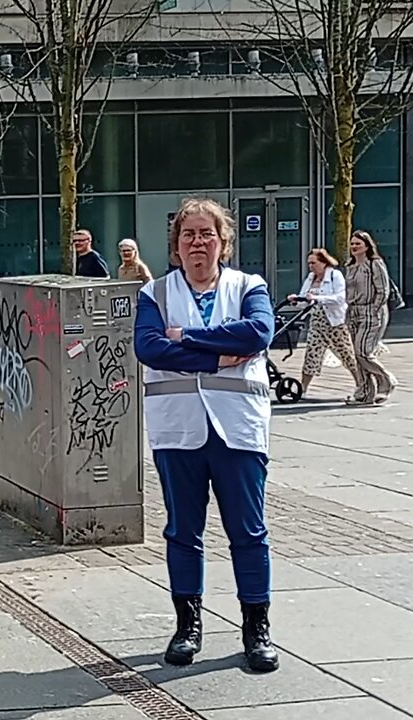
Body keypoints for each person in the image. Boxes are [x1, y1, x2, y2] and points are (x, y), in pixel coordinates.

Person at [133, 197, 278, 673]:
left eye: (207, 234)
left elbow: (258, 333)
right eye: (188, 234)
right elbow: (149, 348)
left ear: (223, 242)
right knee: (182, 531)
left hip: (237, 427)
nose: (198, 242)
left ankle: (256, 628)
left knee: (249, 532)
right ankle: (187, 626)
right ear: (176, 245)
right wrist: (217, 355)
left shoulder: (249, 286)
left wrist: (186, 338)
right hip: (178, 428)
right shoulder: (155, 293)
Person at [288, 248, 361, 398]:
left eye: (314, 263)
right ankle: (303, 389)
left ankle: (361, 384)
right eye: (309, 263)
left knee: (347, 355)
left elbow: (340, 298)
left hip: (335, 323)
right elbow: (305, 299)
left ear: (324, 263)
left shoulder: (335, 275)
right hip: (317, 322)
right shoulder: (310, 278)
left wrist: (317, 299)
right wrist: (296, 300)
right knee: (312, 354)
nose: (311, 266)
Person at [344, 230, 397, 405]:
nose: (354, 247)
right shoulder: (350, 265)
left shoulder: (375, 263)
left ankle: (386, 380)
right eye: (352, 243)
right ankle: (365, 393)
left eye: (358, 244)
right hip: (353, 312)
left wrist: (374, 310)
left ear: (367, 246)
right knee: (357, 355)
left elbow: (383, 290)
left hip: (371, 311)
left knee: (363, 352)